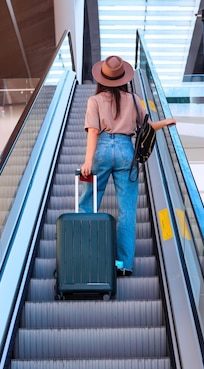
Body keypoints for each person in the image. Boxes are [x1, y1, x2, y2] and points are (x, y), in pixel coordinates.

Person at [80, 55, 176, 277]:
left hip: (102, 151)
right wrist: (168, 122)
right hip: (126, 152)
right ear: (124, 78)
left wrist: (88, 160)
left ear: (101, 79)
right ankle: (123, 265)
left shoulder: (94, 101)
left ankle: (85, 257)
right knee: (127, 211)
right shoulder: (134, 99)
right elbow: (148, 127)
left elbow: (93, 131)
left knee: (88, 205)